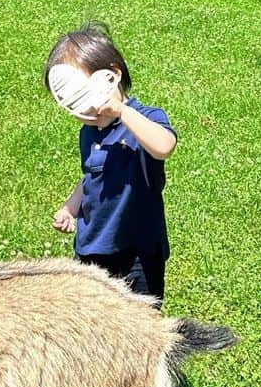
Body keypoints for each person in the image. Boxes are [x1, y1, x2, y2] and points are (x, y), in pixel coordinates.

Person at [45, 23, 177, 303]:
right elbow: (91, 174)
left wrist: (120, 111)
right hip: (92, 248)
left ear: (113, 75)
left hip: (139, 253)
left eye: (90, 99)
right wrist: (71, 207)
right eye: (78, 108)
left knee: (142, 329)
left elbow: (164, 147)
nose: (92, 113)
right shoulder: (89, 132)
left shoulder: (145, 118)